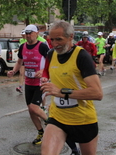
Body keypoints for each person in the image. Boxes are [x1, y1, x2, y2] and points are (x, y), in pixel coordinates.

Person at [40, 21, 103, 155]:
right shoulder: (51, 54)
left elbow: (97, 93)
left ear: (70, 37)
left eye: (59, 39)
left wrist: (62, 92)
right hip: (58, 118)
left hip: (83, 119)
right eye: (52, 39)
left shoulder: (82, 56)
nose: (54, 44)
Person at [7, 24, 49, 145]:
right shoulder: (22, 47)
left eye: (30, 33)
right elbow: (19, 61)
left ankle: (52, 123)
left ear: (37, 33)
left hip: (40, 83)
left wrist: (43, 71)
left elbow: (51, 61)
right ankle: (41, 132)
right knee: (31, 111)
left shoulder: (42, 46)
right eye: (26, 33)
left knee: (34, 107)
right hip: (29, 82)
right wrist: (14, 71)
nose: (28, 35)